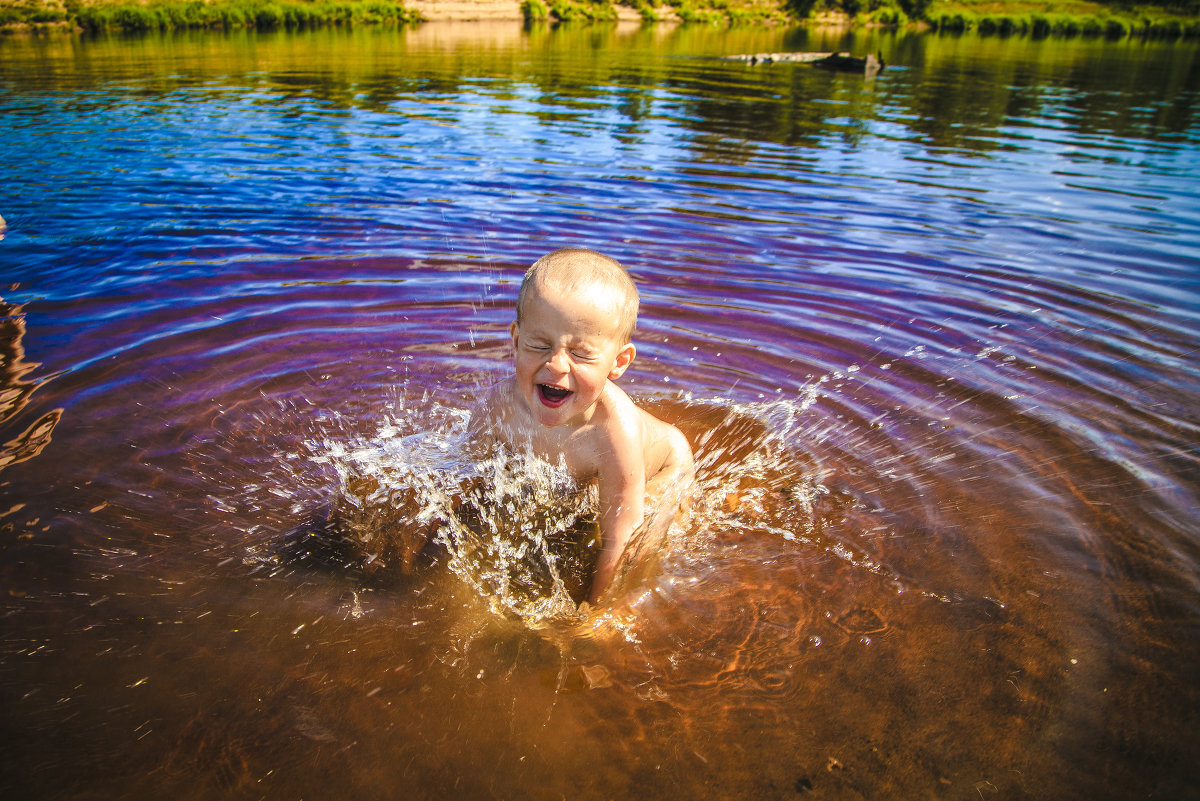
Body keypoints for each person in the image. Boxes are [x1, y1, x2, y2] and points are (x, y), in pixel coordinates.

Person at [471, 247, 693, 604]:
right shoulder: (496, 407)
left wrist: (597, 618)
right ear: (515, 340)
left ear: (618, 362)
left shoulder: (611, 431)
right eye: (539, 344)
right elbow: (464, 482)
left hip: (666, 462)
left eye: (582, 354)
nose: (556, 365)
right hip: (587, 473)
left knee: (649, 537)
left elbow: (620, 540)